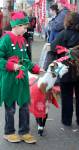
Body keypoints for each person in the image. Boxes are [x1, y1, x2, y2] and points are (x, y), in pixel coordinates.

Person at [0, 11, 42, 144]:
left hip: (22, 79)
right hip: (9, 79)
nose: (26, 30)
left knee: (24, 105)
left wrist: (35, 68)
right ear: (16, 26)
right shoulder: (5, 40)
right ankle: (9, 132)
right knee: (10, 108)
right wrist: (11, 66)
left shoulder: (23, 40)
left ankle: (24, 131)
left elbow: (25, 60)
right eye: (24, 27)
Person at [50, 12, 79, 127]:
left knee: (66, 96)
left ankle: (67, 120)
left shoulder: (64, 34)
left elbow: (53, 48)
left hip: (66, 69)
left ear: (68, 21)